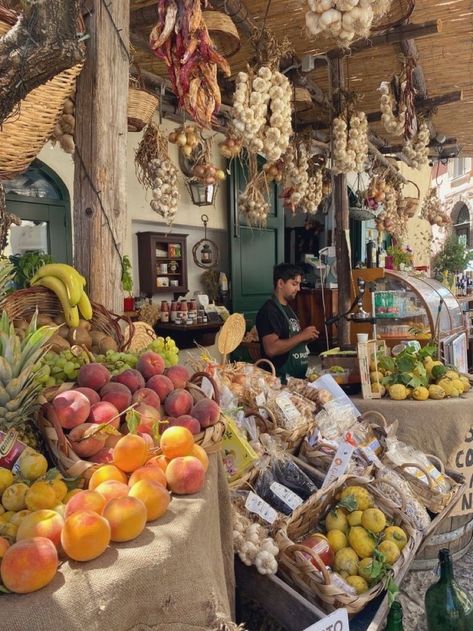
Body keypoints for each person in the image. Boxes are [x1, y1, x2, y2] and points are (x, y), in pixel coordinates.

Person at [255, 263, 319, 381]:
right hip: (280, 382)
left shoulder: (288, 308)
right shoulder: (270, 311)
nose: (298, 289)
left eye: (299, 284)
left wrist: (306, 339)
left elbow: (290, 339)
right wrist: (301, 336)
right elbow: (271, 349)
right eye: (294, 284)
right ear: (280, 283)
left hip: (296, 381)